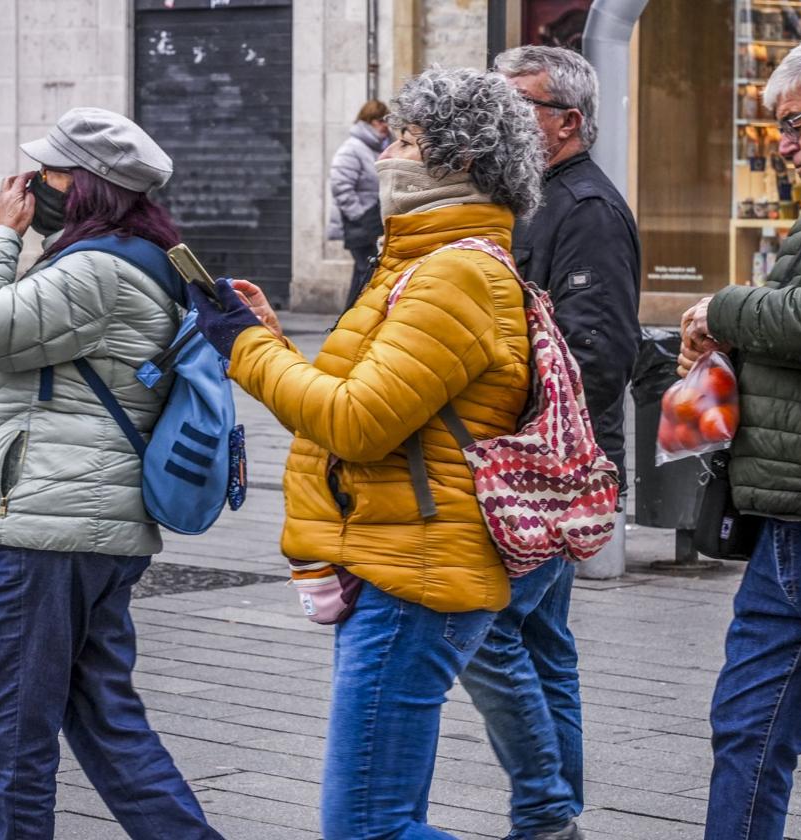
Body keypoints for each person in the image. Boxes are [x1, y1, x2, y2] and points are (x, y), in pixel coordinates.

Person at [190, 68, 540, 839]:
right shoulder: (418, 265)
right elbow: (362, 409)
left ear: (460, 161)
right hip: (399, 553)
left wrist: (243, 350)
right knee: (385, 819)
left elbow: (354, 426)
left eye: (408, 139)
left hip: (413, 572)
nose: (386, 153)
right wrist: (272, 341)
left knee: (368, 829)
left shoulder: (455, 274)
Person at [0, 108, 225, 840]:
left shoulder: (95, 266)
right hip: (90, 523)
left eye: (49, 173)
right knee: (106, 724)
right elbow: (67, 377)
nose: (30, 185)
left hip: (51, 530)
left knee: (12, 736)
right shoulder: (135, 255)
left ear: (86, 186)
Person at [677, 27, 801, 840]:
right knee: (748, 734)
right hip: (791, 522)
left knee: (753, 734)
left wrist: (719, 309)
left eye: (795, 125)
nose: (783, 146)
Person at [456, 46, 641, 840]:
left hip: (542, 473)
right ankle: (552, 816)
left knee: (486, 629)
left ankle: (547, 812)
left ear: (566, 122)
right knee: (540, 645)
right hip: (534, 470)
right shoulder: (531, 198)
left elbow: (597, 354)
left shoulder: (586, 209)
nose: (496, 118)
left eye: (515, 103)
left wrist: (519, 443)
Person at [328, 99, 389, 305]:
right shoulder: (353, 148)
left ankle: (350, 317)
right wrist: (361, 216)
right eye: (379, 120)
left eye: (386, 120)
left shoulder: (381, 146)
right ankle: (352, 318)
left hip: (374, 222)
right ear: (367, 121)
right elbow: (340, 186)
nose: (384, 125)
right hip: (361, 224)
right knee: (367, 273)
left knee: (365, 272)